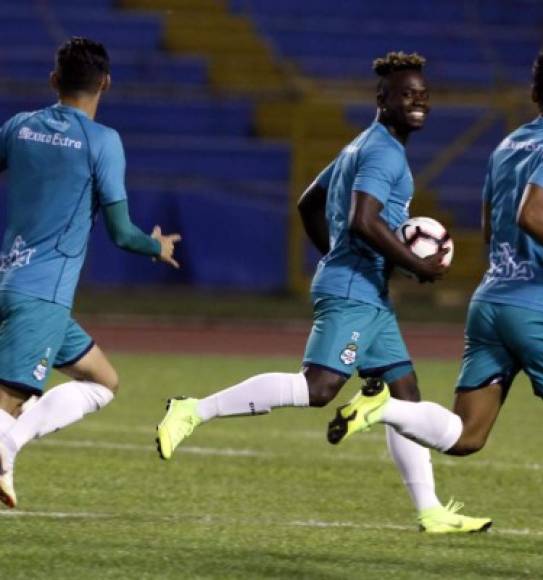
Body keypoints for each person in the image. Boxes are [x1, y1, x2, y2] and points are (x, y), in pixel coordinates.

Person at [328, 42, 543, 579]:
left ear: (533, 92)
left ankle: (383, 409)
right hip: (540, 313)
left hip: (491, 301)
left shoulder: (509, 144)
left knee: (467, 436)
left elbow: (495, 216)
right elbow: (531, 212)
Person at [156, 51, 491, 534]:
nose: (419, 102)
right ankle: (193, 410)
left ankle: (430, 511)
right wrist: (415, 263)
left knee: (406, 395)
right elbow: (364, 219)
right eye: (407, 95)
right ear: (383, 99)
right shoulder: (383, 153)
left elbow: (309, 203)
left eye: (424, 95)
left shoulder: (360, 145)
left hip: (367, 290)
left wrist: (345, 255)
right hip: (354, 291)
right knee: (318, 389)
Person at [0, 37, 182, 508]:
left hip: (11, 282)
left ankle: (9, 447)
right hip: (43, 295)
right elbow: (122, 233)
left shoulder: (19, 127)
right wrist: (156, 246)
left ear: (54, 80)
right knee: (8, 398)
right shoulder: (102, 142)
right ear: (105, 82)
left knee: (102, 380)